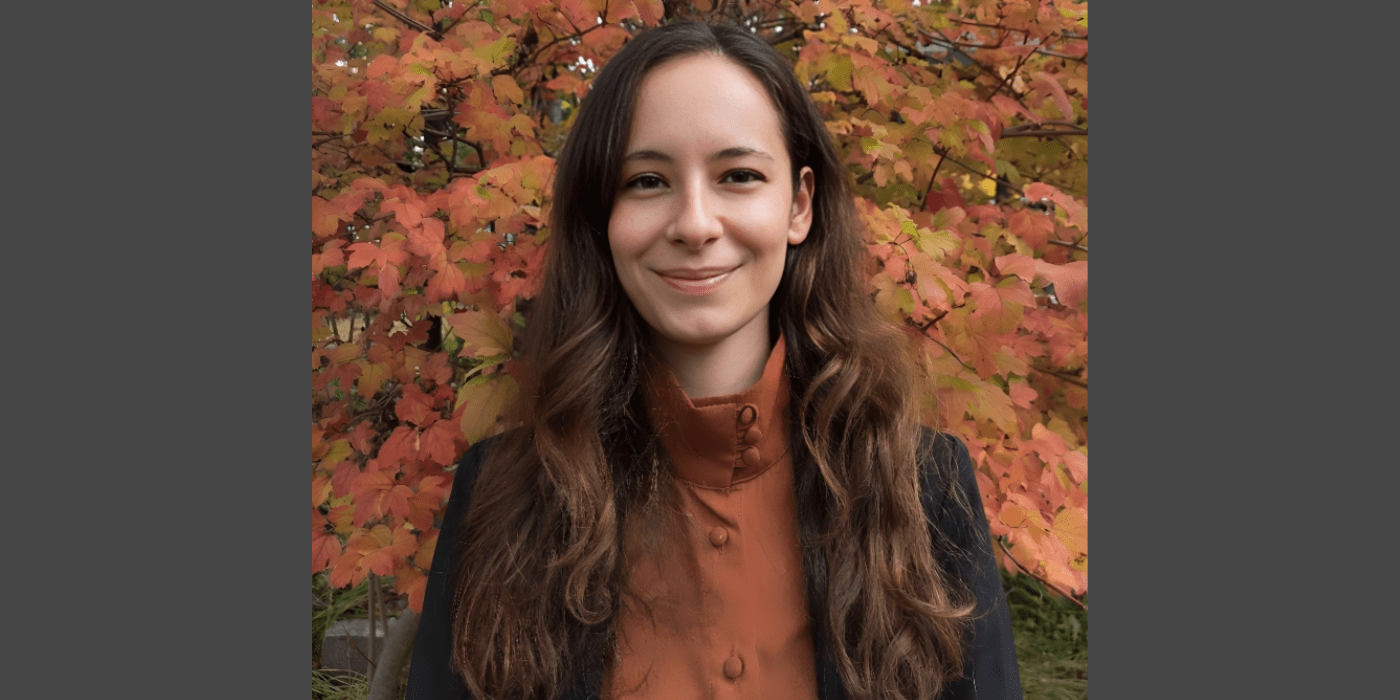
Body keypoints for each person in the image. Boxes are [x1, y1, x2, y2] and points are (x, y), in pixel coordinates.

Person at [408, 21, 1021, 700]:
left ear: (799, 204)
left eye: (739, 175)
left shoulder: (925, 488)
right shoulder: (502, 493)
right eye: (646, 180)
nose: (695, 224)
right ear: (601, 215)